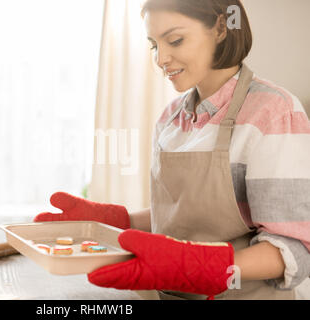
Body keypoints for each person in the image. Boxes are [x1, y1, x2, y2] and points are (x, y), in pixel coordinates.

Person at [34, 0, 310, 300]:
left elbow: (294, 247)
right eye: (154, 44)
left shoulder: (273, 112)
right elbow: (181, 216)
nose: (161, 58)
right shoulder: (171, 119)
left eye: (175, 40)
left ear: (221, 27)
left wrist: (206, 265)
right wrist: (114, 220)